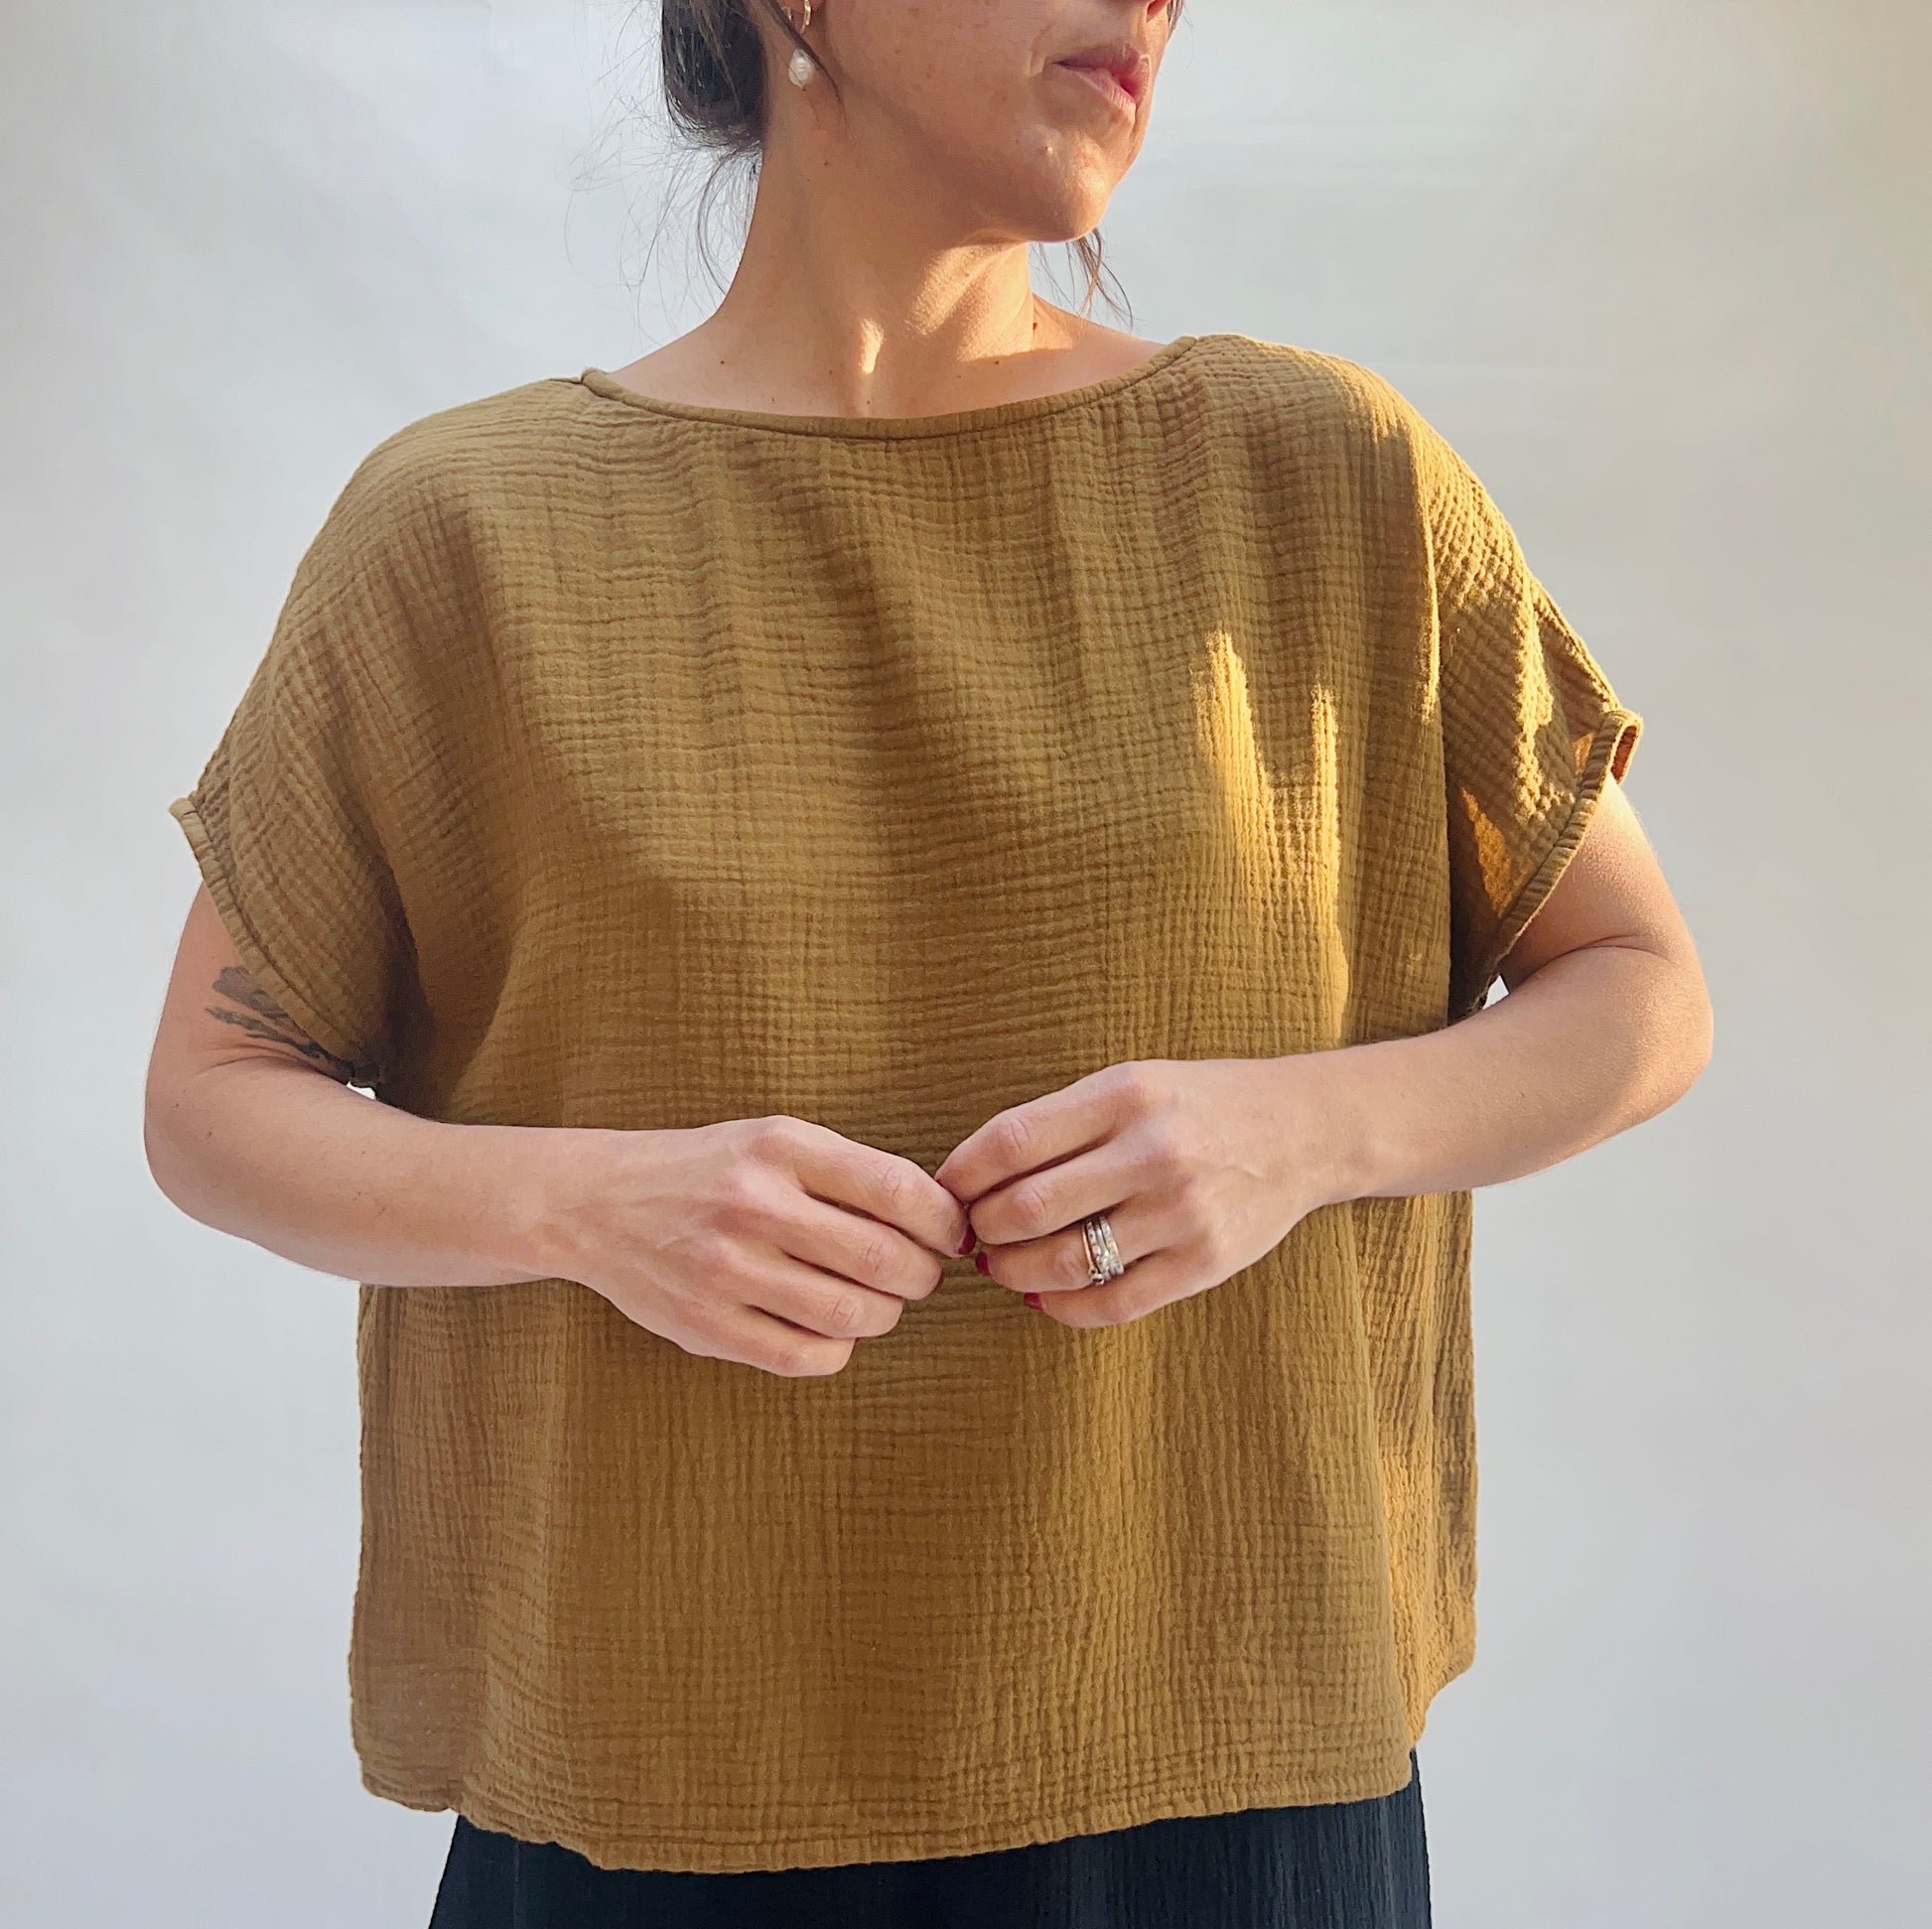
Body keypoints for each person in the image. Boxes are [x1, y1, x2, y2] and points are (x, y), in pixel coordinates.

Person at [142, 1, 1715, 1924]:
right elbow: (214, 1094)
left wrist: (1296, 1136)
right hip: (652, 1781)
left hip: (1224, 1778)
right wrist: (590, 1206)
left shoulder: (1325, 478)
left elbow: (1640, 985)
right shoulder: (460, 534)